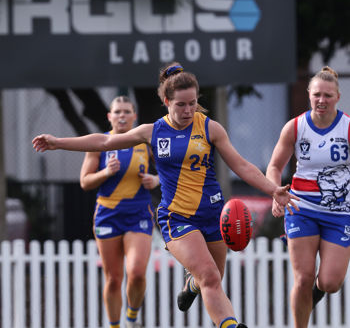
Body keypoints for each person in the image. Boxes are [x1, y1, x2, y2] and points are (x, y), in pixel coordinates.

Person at [33, 62, 298, 328]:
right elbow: (104, 142)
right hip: (177, 217)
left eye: (193, 103)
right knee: (210, 276)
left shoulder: (210, 128)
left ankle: (191, 285)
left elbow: (241, 165)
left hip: (213, 215)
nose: (188, 110)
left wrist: (273, 189)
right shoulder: (152, 131)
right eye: (181, 105)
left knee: (212, 277)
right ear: (166, 100)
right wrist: (58, 143)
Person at [266, 66, 350, 328]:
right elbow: (275, 167)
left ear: (337, 97)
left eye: (327, 95)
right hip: (301, 208)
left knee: (330, 282)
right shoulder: (295, 127)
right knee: (302, 278)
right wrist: (275, 193)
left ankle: (317, 289)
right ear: (308, 95)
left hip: (339, 212)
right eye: (316, 95)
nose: (321, 100)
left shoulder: (347, 128)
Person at [80, 96, 159, 328]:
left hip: (139, 214)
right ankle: (115, 325)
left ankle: (132, 317)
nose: (122, 116)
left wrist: (155, 180)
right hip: (108, 214)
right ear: (109, 116)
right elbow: (85, 181)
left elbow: (171, 171)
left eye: (126, 111)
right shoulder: (100, 143)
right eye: (117, 112)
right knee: (113, 280)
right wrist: (105, 173)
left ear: (135, 116)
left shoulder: (144, 142)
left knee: (136, 273)